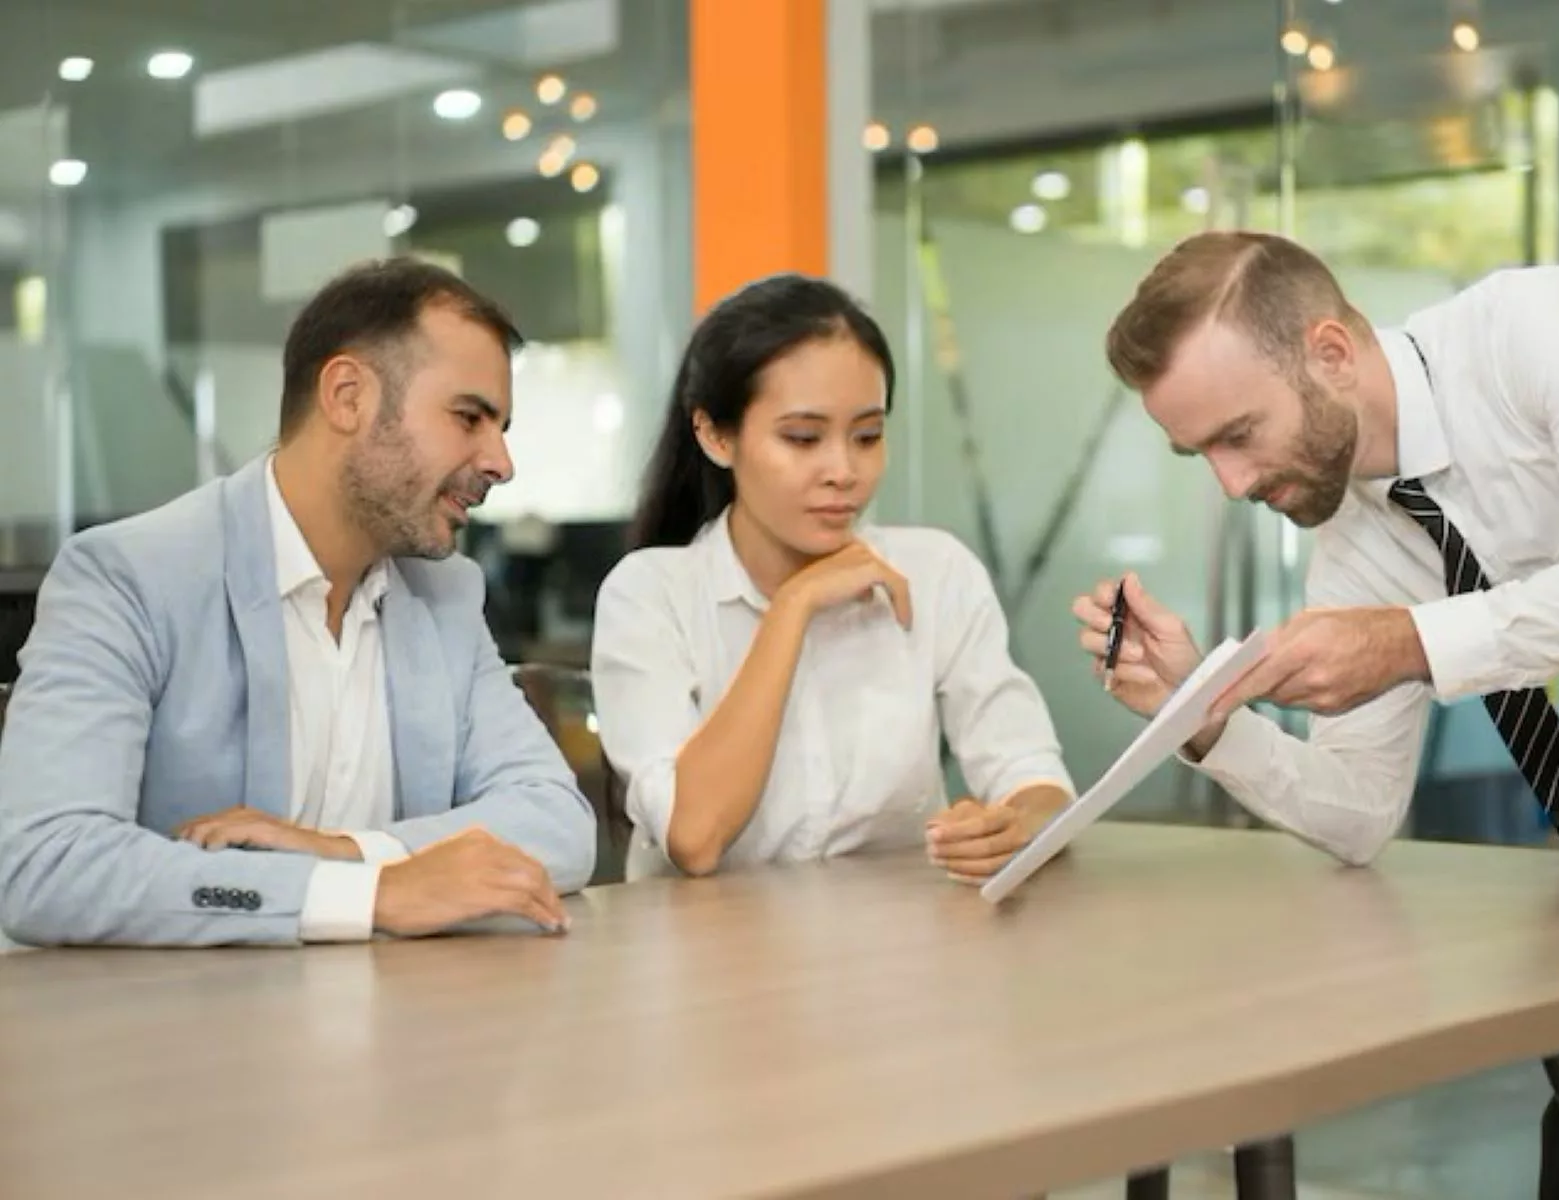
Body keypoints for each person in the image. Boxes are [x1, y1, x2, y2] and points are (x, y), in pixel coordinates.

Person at [1072, 229, 1559, 1199]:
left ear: (1330, 352)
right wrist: (1200, 716)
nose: (1233, 484)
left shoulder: (1540, 330)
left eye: (1238, 434)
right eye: (1197, 452)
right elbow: (1358, 809)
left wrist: (1412, 641)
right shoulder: (1358, 541)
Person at [0, 259, 596, 947]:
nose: (500, 461)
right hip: (163, 1032)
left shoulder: (446, 595)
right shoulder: (127, 577)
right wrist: (372, 893)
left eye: (502, 428)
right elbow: (47, 863)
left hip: (391, 1024)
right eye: (469, 417)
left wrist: (346, 852)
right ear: (347, 396)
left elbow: (557, 822)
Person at [591, 273, 1072, 881]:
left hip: (896, 953)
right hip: (709, 960)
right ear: (714, 434)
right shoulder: (650, 595)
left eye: (867, 435)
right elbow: (695, 835)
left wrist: (1016, 826)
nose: (843, 470)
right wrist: (794, 606)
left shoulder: (935, 572)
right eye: (803, 438)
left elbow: (1036, 779)